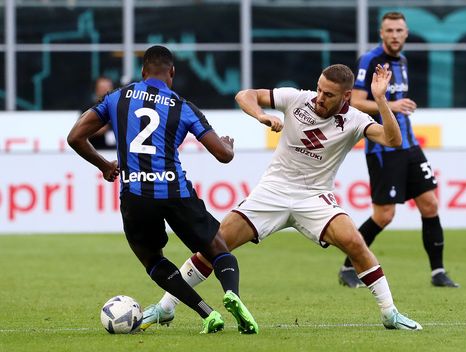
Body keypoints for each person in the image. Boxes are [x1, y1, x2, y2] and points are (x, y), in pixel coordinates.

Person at [142, 63, 423, 331]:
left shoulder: (355, 119)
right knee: (215, 244)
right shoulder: (297, 99)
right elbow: (245, 95)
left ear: (346, 96)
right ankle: (166, 307)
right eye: (319, 89)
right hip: (272, 191)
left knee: (355, 242)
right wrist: (261, 115)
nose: (319, 98)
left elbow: (393, 140)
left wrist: (380, 98)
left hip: (314, 197)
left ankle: (389, 313)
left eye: (328, 95)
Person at [67, 45, 258, 334]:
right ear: (172, 73)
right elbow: (222, 155)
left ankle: (206, 313)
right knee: (217, 248)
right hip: (175, 191)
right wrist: (229, 146)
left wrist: (105, 166)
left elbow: (75, 137)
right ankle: (233, 294)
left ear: (143, 72)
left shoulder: (117, 98)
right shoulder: (183, 106)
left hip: (135, 195)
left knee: (153, 259)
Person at [337, 12, 459, 289]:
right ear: (381, 33)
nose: (394, 35)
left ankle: (438, 272)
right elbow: (355, 102)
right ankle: (348, 266)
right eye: (389, 30)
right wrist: (391, 105)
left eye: (399, 30)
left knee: (430, 204)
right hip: (383, 148)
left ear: (406, 34)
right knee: (384, 215)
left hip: (410, 145)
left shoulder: (402, 62)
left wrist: (399, 107)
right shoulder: (370, 60)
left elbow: (397, 101)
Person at [83, 76, 116, 150]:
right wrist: (96, 130)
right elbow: (80, 132)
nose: (106, 91)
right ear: (96, 90)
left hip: (115, 151)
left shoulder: (119, 107)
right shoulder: (89, 109)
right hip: (95, 150)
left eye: (108, 88)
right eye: (102, 88)